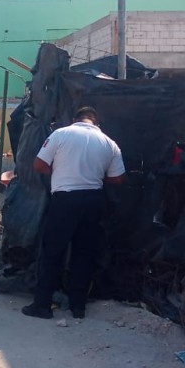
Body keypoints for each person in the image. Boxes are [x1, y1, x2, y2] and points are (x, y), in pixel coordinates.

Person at [22, 106, 126, 320]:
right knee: (84, 253)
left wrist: (61, 170)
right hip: (93, 200)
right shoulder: (109, 143)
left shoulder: (61, 134)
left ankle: (42, 305)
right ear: (96, 123)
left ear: (74, 119)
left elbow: (39, 164)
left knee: (53, 251)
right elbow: (118, 179)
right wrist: (94, 175)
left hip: (65, 200)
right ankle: (78, 307)